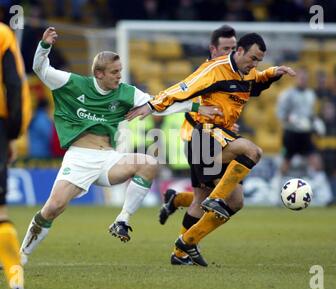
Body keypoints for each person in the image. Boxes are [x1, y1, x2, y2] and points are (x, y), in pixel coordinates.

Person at [19, 27, 221, 265]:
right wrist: (44, 46)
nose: (119, 76)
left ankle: (122, 220)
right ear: (99, 73)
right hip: (79, 158)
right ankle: (21, 255)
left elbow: (160, 104)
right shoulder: (72, 84)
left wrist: (195, 108)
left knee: (148, 163)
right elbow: (40, 69)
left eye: (120, 71)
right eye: (114, 72)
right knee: (52, 208)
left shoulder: (127, 93)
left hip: (109, 159)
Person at [127, 32, 296, 267]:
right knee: (252, 151)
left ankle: (183, 247)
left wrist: (273, 73)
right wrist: (152, 105)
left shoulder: (245, 73)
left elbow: (256, 81)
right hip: (205, 134)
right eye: (253, 58)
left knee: (234, 201)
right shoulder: (214, 70)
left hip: (219, 135)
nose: (255, 64)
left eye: (259, 60)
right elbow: (182, 88)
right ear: (239, 52)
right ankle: (213, 200)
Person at [158, 25, 238, 228]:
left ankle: (175, 201)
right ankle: (183, 247)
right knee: (218, 199)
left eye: (233, 49)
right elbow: (184, 101)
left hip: (217, 138)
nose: (231, 54)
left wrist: (227, 125)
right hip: (199, 139)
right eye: (226, 49)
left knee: (219, 198)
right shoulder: (206, 74)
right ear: (213, 49)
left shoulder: (231, 73)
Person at [0, 22, 31, 289]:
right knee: (1, 215)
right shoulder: (2, 34)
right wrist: (13, 133)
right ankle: (16, 284)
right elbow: (14, 83)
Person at [276, 67, 332, 203]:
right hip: (291, 134)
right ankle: (277, 195)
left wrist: (316, 122)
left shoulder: (310, 95)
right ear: (296, 79)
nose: (303, 80)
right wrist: (291, 119)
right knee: (285, 165)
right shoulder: (288, 94)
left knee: (317, 163)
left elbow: (310, 114)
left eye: (305, 78)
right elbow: (281, 114)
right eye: (301, 78)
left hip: (305, 135)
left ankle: (327, 197)